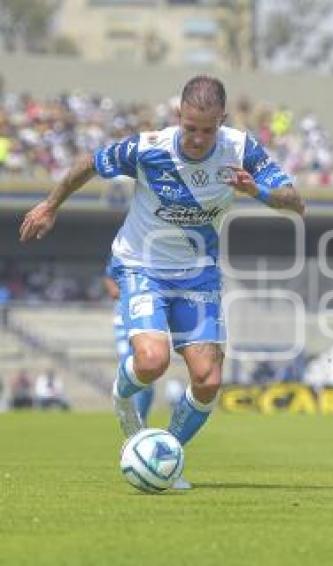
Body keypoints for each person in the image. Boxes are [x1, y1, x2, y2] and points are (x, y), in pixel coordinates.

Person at [19, 75, 305, 489]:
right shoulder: (149, 148)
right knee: (151, 361)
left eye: (208, 130)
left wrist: (257, 190)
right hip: (142, 265)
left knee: (208, 380)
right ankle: (122, 400)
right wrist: (50, 205)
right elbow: (89, 163)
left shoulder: (241, 150)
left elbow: (295, 202)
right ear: (179, 116)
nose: (197, 139)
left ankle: (162, 454)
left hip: (198, 273)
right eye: (190, 128)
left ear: (222, 121)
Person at [103, 267, 153, 424]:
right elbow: (110, 284)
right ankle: (134, 417)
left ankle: (140, 418)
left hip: (147, 318)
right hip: (124, 321)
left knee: (148, 370)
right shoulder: (122, 251)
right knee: (130, 367)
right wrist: (131, 291)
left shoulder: (153, 255)